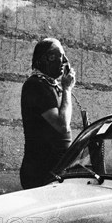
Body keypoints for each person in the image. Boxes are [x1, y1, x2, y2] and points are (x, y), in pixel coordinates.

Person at [20, 38, 76, 189]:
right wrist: (67, 89)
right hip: (41, 171)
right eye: (61, 56)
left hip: (53, 169)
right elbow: (62, 125)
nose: (65, 61)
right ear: (49, 58)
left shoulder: (49, 85)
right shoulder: (36, 85)